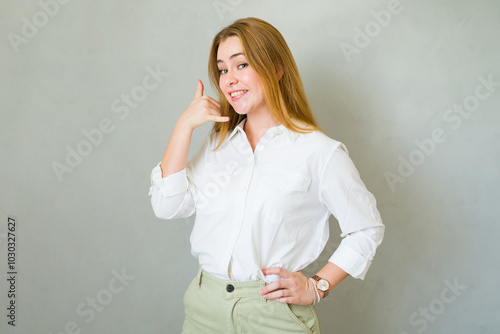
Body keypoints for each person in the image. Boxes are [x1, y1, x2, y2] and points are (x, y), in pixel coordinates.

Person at [149, 17, 384, 334]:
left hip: (273, 316)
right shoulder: (217, 144)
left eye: (241, 64)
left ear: (276, 68)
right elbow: (167, 206)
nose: (229, 79)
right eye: (222, 69)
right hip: (204, 311)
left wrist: (318, 286)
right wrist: (183, 127)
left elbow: (366, 229)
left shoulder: (319, 152)